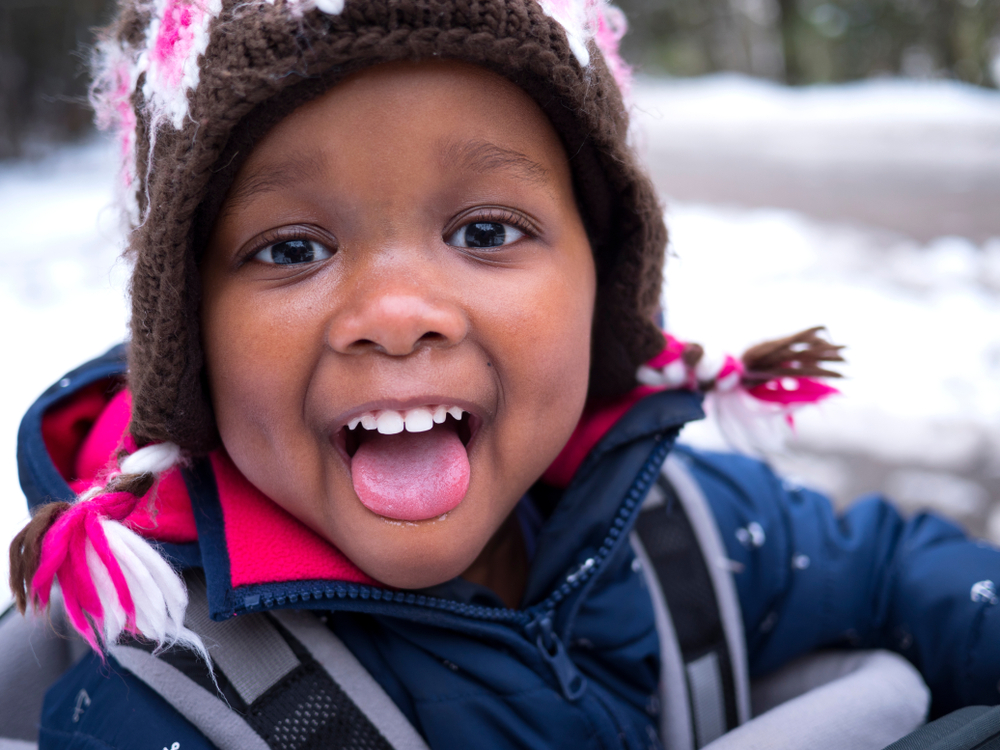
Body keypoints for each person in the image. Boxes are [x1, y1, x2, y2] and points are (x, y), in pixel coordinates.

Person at [4, 0, 998, 748]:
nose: (396, 317)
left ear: (603, 290)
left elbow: (898, 574)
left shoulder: (689, 531)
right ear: (188, 341)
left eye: (485, 230)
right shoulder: (166, 692)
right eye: (289, 248)